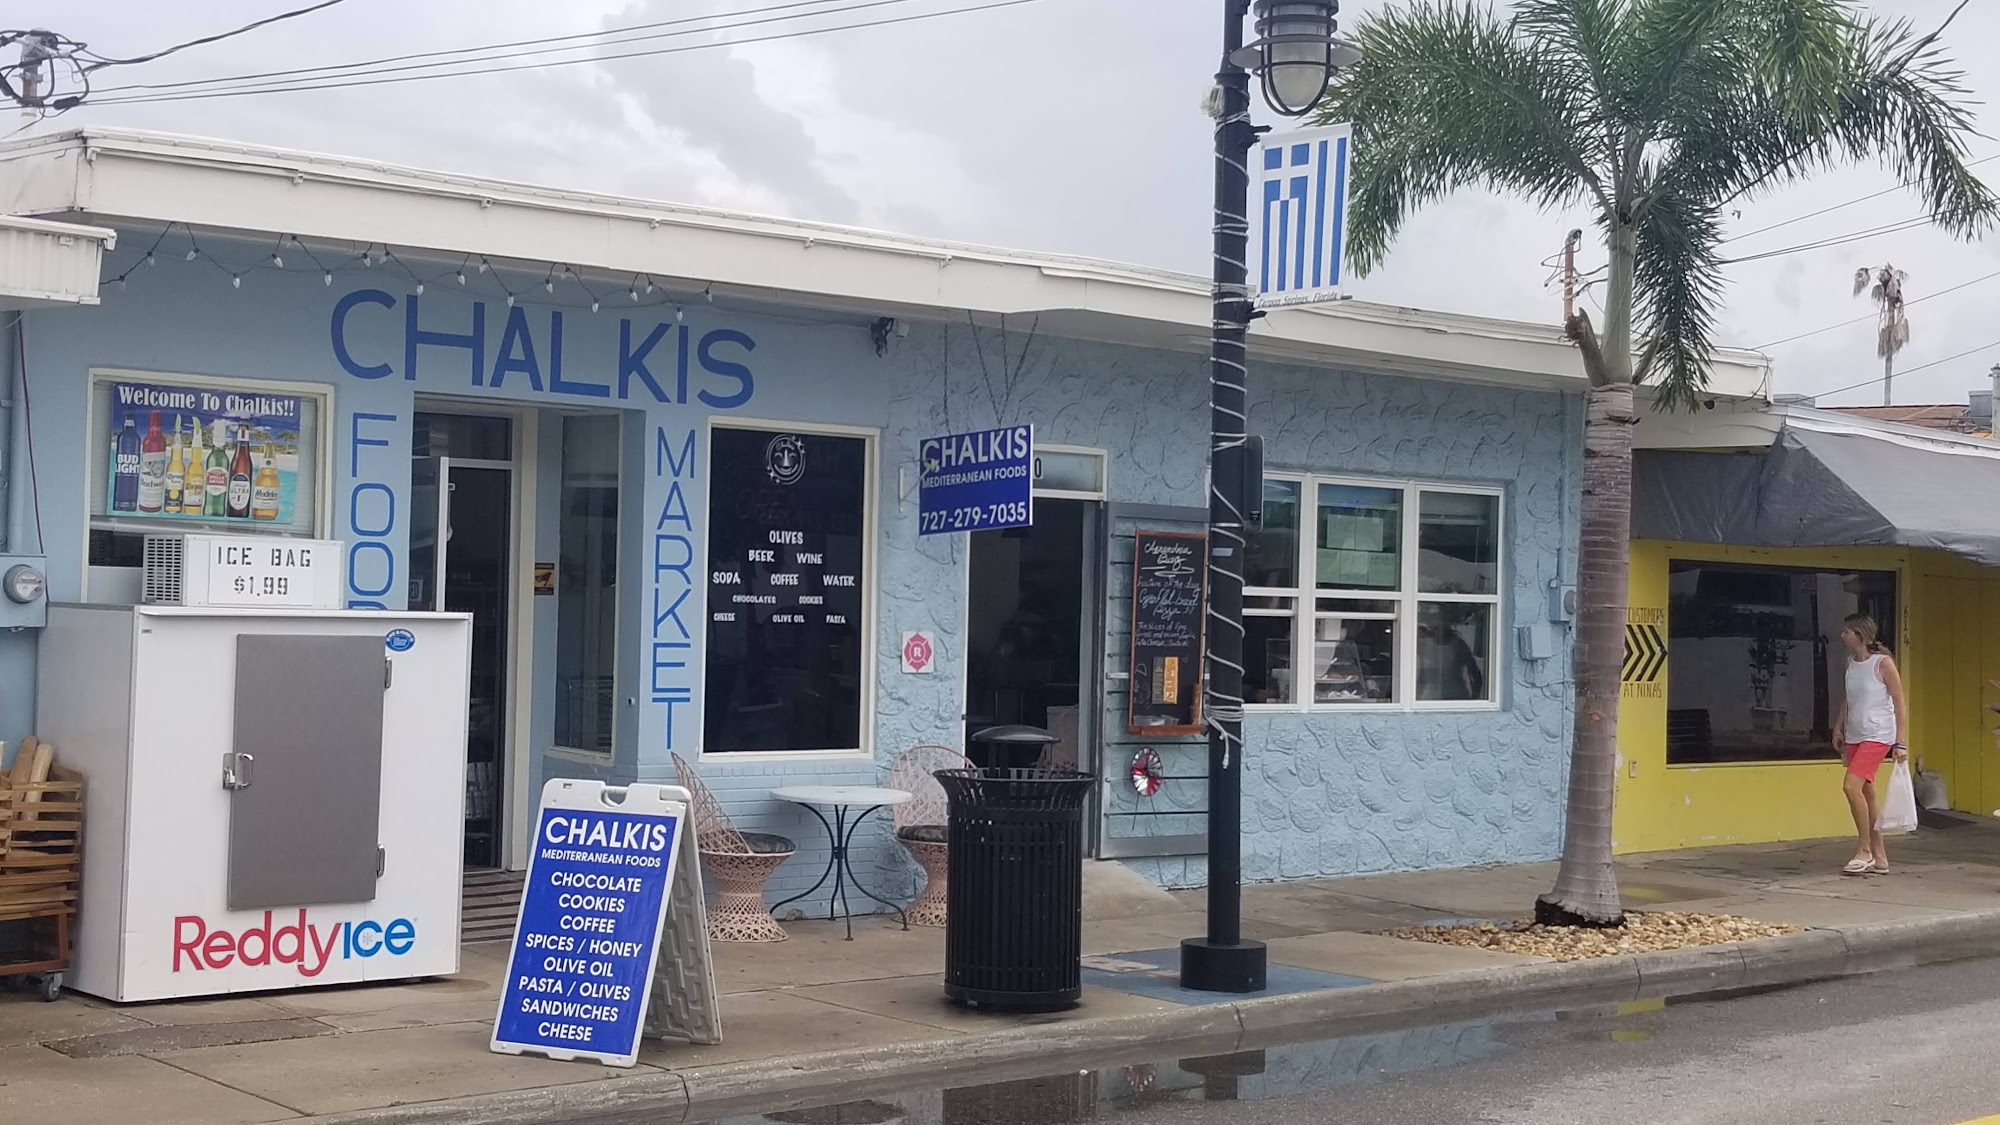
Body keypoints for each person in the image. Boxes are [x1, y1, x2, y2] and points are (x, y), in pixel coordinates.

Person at [1832, 613, 1909, 875]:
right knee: (1866, 792)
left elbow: (1899, 702)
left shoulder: (1883, 663)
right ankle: (1880, 855)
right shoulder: (1851, 663)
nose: (1843, 635)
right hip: (1855, 734)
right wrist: (1839, 726)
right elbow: (1849, 697)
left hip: (1877, 734)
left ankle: (1864, 849)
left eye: (1847, 631)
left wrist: (1900, 742)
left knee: (1850, 787)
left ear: (1859, 634)